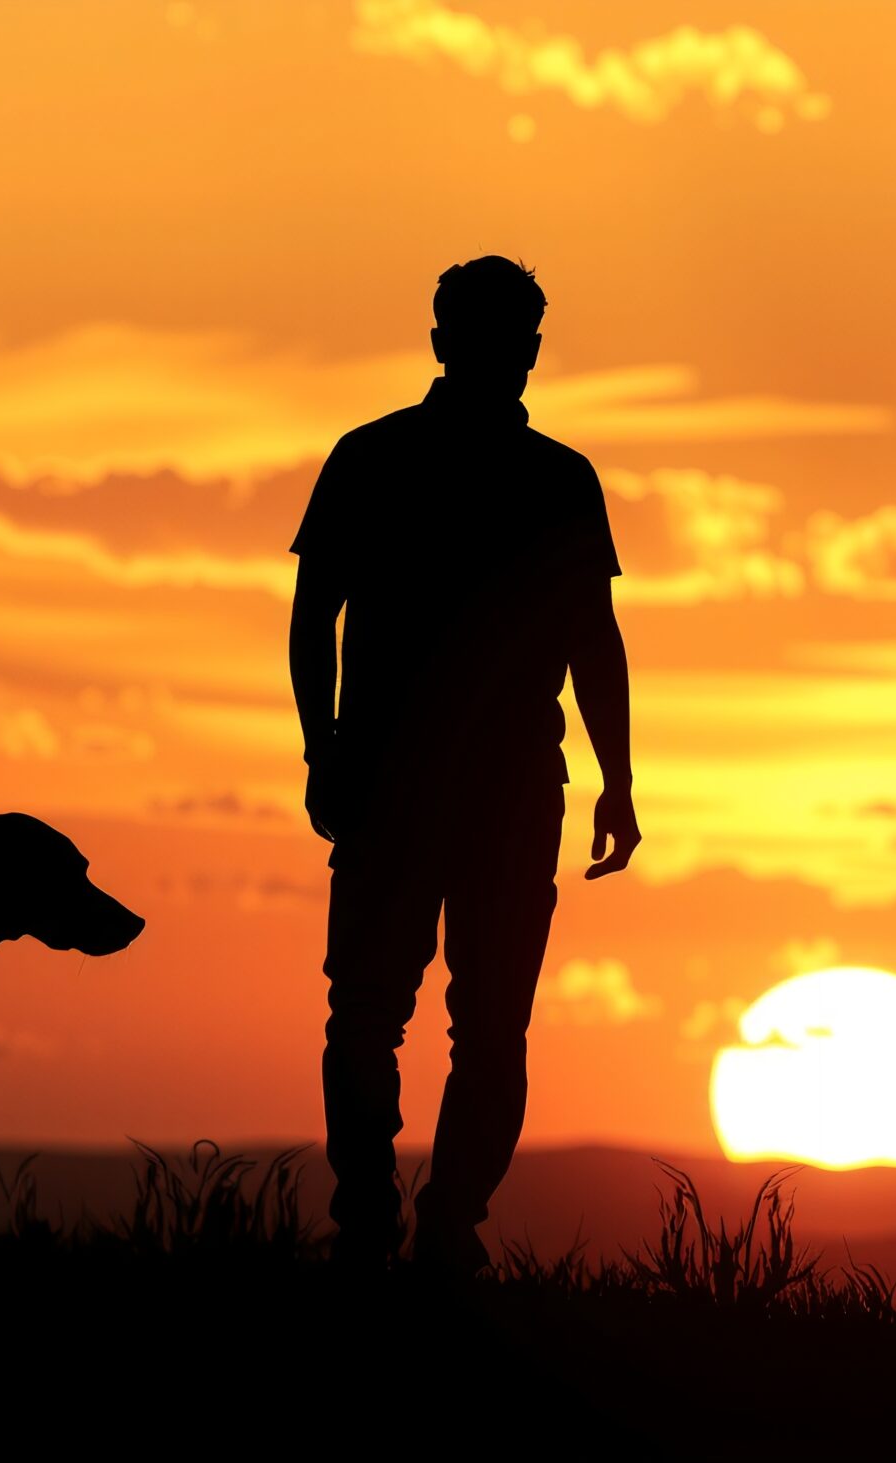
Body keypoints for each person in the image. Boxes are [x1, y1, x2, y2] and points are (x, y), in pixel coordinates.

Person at [288, 256, 639, 1274]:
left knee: (451, 1023)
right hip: (418, 785)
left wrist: (618, 777)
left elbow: (590, 637)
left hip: (489, 791)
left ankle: (425, 1230)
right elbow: (316, 616)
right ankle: (394, 1228)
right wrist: (325, 748)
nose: (511, 355)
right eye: (495, 336)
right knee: (401, 1016)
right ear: (445, 342)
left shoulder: (537, 477)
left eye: (522, 338)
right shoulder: (394, 461)